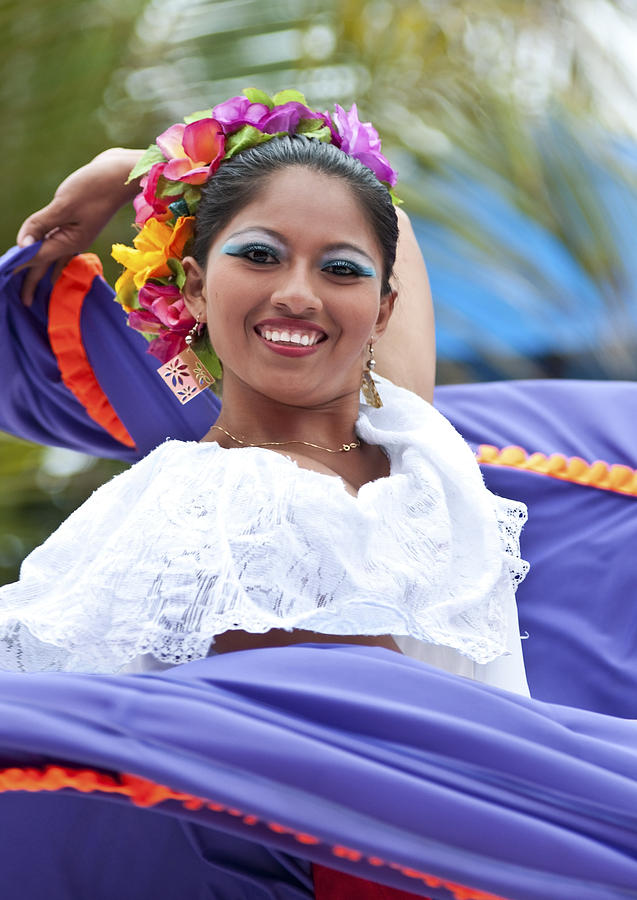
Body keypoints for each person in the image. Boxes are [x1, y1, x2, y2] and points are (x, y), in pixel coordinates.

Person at [7, 90, 636, 900]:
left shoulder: (410, 434)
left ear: (382, 309)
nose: (299, 293)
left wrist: (142, 169)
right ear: (193, 290)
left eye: (338, 269)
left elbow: (387, 218)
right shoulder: (223, 507)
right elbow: (342, 779)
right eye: (260, 255)